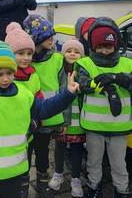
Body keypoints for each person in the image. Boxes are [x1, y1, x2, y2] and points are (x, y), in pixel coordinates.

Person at [0, 41, 79, 198]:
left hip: (14, 172)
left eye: (10, 73)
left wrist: (67, 94)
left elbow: (45, 109)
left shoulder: (24, 94)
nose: (5, 79)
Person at [75, 17, 132, 198]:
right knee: (93, 161)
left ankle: (121, 190)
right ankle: (94, 186)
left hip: (119, 127)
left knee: (118, 163)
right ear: (92, 46)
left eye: (108, 47)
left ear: (116, 45)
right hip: (94, 127)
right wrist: (100, 84)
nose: (104, 51)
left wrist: (118, 78)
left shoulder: (127, 64)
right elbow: (82, 84)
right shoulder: (85, 64)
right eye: (99, 47)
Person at [23, 14, 64, 198]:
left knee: (42, 151)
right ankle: (23, 182)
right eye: (48, 36)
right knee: (25, 153)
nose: (52, 40)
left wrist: (64, 118)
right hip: (28, 120)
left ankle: (42, 180)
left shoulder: (57, 59)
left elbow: (62, 90)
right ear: (37, 38)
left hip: (48, 118)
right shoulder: (25, 60)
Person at [4, 22, 42, 197]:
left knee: (26, 158)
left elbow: (38, 97)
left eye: (29, 53)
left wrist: (37, 119)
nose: (25, 58)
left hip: (29, 127)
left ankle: (24, 185)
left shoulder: (33, 74)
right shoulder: (6, 76)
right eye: (20, 53)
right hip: (9, 128)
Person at [48, 40, 85, 198]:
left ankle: (76, 179)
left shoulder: (84, 70)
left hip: (79, 118)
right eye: (68, 51)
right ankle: (58, 174)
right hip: (62, 115)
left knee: (77, 148)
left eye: (76, 51)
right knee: (60, 146)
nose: (72, 54)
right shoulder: (60, 69)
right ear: (63, 53)